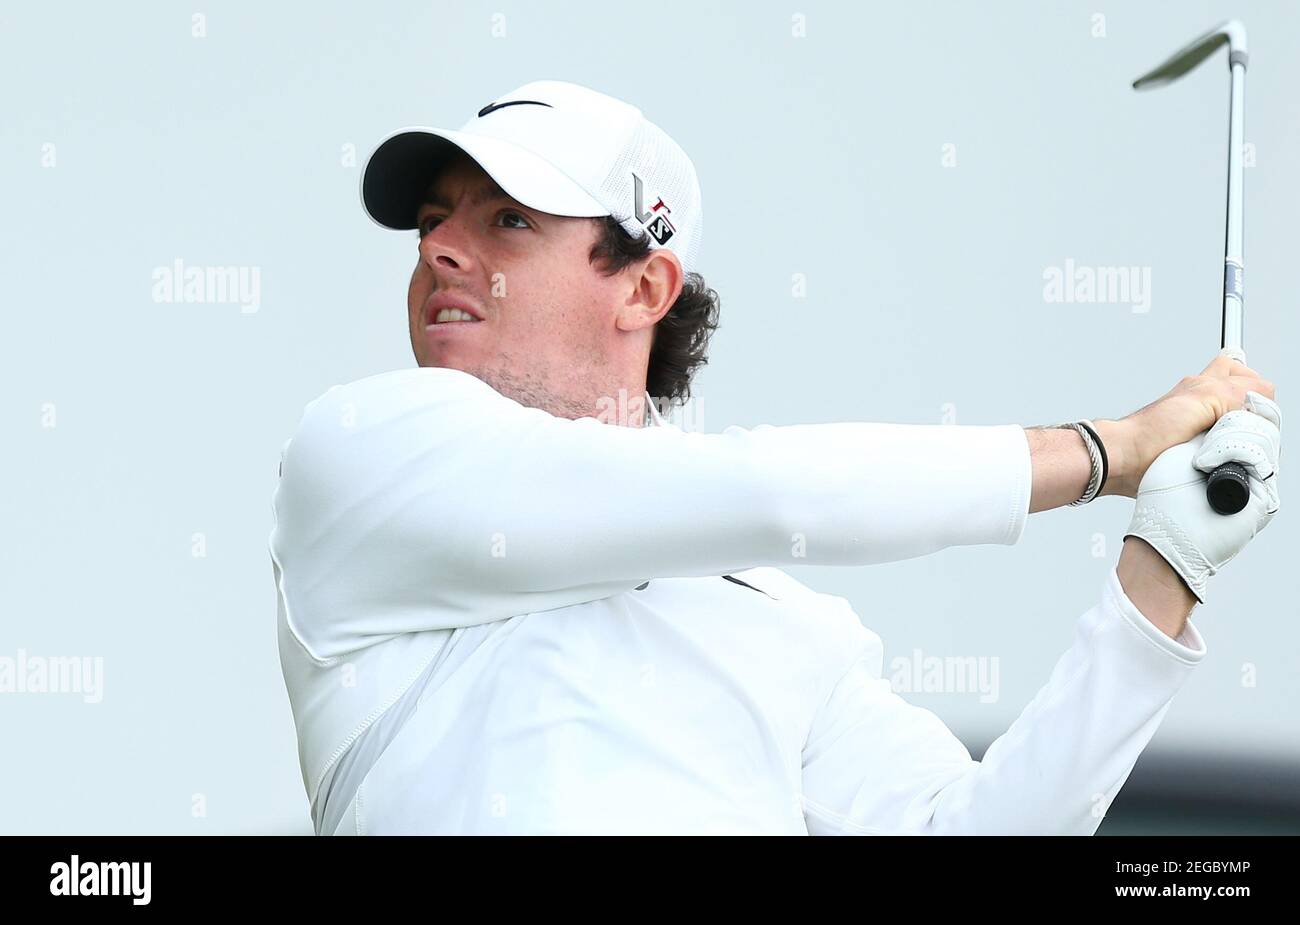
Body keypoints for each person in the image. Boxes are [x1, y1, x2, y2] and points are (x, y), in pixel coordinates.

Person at [268, 80, 1282, 835]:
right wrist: (1108, 452)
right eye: (433, 220)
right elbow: (771, 489)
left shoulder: (787, 623)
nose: (441, 247)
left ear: (641, 287)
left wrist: (1160, 579)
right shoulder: (361, 457)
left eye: (507, 221)